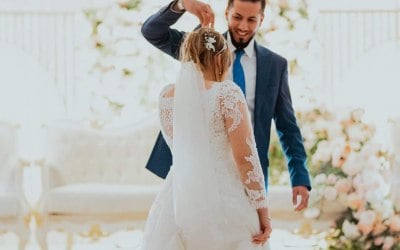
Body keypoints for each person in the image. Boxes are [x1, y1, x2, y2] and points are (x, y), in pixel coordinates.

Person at [141, 0, 311, 212]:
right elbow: (152, 32)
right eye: (237, 17)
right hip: (198, 171)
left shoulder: (275, 65)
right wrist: (182, 4)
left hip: (250, 173)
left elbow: (288, 127)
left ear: (262, 19)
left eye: (251, 19)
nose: (243, 26)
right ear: (227, 12)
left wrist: (300, 177)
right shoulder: (199, 45)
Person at [142, 27, 271, 250]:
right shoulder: (227, 93)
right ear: (220, 57)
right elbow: (245, 158)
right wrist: (263, 212)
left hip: (178, 198)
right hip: (224, 198)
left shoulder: (167, 96)